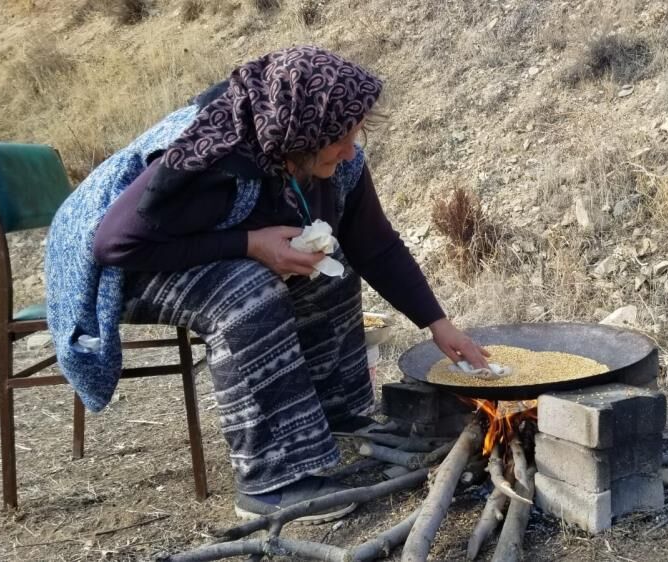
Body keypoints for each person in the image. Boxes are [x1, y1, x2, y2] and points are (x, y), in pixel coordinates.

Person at [45, 45, 489, 523]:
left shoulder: (328, 158)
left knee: (328, 263)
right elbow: (114, 243)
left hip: (183, 246)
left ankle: (336, 418)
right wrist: (250, 244)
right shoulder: (207, 153)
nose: (350, 150)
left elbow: (375, 245)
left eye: (355, 134)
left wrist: (438, 323)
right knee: (245, 291)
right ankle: (269, 481)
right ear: (303, 131)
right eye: (340, 138)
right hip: (119, 263)